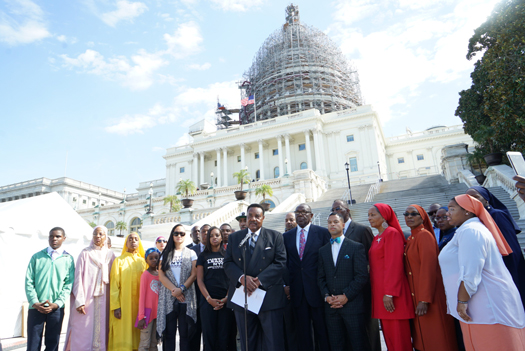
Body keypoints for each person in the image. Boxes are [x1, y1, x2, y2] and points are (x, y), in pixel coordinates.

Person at [439, 195, 525, 350]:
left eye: (452, 209)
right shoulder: (466, 230)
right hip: (479, 307)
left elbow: (471, 271)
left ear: (467, 211)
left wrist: (462, 302)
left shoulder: (471, 231)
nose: (448, 213)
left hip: (487, 308)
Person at [224, 203, 287, 351]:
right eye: (250, 216)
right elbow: (227, 263)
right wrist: (242, 278)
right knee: (248, 341)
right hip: (243, 296)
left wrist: (258, 281)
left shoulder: (275, 236)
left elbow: (280, 262)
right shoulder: (235, 238)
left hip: (269, 296)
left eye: (257, 216)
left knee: (273, 341)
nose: (253, 219)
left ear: (263, 218)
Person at [403, 205, 458, 351]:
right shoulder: (412, 237)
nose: (409, 217)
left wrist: (424, 299)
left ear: (422, 218)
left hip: (429, 297)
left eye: (413, 214)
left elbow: (429, 269)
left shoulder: (424, 235)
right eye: (406, 214)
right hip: (418, 295)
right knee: (424, 339)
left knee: (437, 338)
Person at [318, 212, 370, 351]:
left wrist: (346, 295)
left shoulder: (355, 247)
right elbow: (320, 277)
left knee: (358, 344)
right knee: (336, 345)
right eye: (329, 222)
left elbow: (361, 276)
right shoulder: (322, 251)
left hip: (352, 307)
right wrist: (327, 297)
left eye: (335, 222)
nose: (332, 224)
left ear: (343, 224)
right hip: (331, 309)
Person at [331, 199, 379, 351]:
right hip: (340, 294)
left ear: (347, 210)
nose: (336, 211)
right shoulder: (332, 233)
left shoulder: (361, 230)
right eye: (333, 209)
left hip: (362, 292)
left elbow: (373, 260)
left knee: (367, 333)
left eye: (339, 208)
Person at [466, 186, 525, 307]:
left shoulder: (497, 215)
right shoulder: (476, 220)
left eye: (475, 197)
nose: (472, 200)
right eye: (468, 198)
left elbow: (510, 246)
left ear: (486, 199)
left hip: (507, 267)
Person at [283, 204, 330, 351]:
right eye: (298, 212)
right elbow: (284, 263)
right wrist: (286, 285)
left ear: (311, 215)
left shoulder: (322, 233)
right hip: (297, 292)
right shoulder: (286, 237)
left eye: (304, 212)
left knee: (321, 331)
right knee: (302, 333)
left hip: (317, 290)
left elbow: (327, 261)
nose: (300, 215)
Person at [368, 204, 414, 351]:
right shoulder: (377, 237)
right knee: (389, 340)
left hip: (393, 296)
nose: (369, 218)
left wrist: (389, 293)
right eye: (368, 215)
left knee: (399, 339)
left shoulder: (392, 233)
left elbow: (394, 265)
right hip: (382, 295)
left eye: (373, 215)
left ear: (384, 217)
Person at [64, 226, 116, 351]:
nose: (98, 236)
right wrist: (79, 300)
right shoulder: (85, 253)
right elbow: (78, 278)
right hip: (87, 297)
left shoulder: (110, 255)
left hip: (105, 298)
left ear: (106, 237)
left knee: (103, 328)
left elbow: (115, 279)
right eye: (95, 234)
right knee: (82, 329)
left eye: (101, 234)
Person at [25, 227, 75, 351]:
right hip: (36, 307)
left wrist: (57, 304)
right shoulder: (37, 257)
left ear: (64, 238)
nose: (54, 238)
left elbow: (68, 284)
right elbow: (29, 281)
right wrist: (35, 303)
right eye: (51, 236)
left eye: (58, 236)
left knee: (52, 343)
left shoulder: (68, 259)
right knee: (33, 343)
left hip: (56, 309)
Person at [157, 224, 198, 351]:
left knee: (185, 334)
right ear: (172, 235)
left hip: (186, 297)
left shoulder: (191, 253)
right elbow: (161, 276)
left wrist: (182, 289)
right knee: (169, 334)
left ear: (185, 236)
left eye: (182, 233)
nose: (179, 236)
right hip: (169, 298)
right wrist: (174, 291)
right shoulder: (166, 254)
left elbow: (194, 274)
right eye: (176, 233)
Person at [197, 226, 235, 351]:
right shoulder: (203, 256)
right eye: (211, 235)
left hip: (225, 301)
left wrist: (226, 298)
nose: (214, 238)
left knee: (224, 336)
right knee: (209, 336)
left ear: (221, 237)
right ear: (208, 238)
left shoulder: (227, 255)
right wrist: (208, 299)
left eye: (217, 235)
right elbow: (200, 280)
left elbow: (231, 279)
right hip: (208, 302)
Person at [109, 232, 147, 351]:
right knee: (123, 334)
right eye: (130, 238)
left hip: (139, 307)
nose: (133, 241)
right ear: (126, 242)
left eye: (136, 239)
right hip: (123, 306)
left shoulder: (143, 262)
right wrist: (116, 306)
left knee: (138, 335)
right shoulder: (119, 261)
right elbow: (114, 285)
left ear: (139, 242)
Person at [190, 224, 210, 351]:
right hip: (193, 296)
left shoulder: (217, 250)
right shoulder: (190, 251)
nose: (205, 234)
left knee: (209, 331)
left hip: (211, 295)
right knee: (194, 332)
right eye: (203, 232)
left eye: (208, 232)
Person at [137, 248, 161, 351]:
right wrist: (141, 316)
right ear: (146, 260)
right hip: (147, 314)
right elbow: (142, 296)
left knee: (154, 343)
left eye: (156, 258)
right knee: (145, 343)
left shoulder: (161, 275)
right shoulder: (145, 275)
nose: (154, 260)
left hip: (158, 314)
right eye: (151, 258)